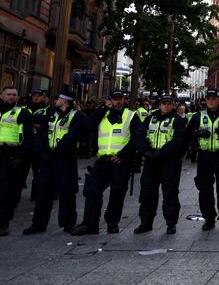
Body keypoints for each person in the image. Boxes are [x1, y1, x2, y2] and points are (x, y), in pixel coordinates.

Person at [72, 90, 141, 235]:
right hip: (102, 161)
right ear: (110, 100)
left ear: (125, 100)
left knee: (117, 193)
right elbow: (88, 125)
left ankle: (112, 223)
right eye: (115, 99)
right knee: (92, 190)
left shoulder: (131, 116)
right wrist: (103, 108)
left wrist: (123, 155)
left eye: (120, 99)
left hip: (120, 162)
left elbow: (136, 139)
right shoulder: (102, 114)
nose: (118, 102)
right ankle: (90, 224)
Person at [24, 92, 83, 234]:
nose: (55, 100)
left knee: (66, 192)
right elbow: (41, 133)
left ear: (65, 101)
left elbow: (72, 136)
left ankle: (68, 223)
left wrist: (57, 151)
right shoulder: (51, 114)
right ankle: (38, 224)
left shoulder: (76, 116)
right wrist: (42, 151)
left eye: (58, 99)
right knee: (43, 191)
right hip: (47, 159)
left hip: (65, 159)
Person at [187, 88, 219, 231]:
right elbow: (188, 134)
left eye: (214, 98)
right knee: (204, 189)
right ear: (205, 100)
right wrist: (198, 133)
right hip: (204, 156)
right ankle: (209, 218)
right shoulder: (198, 116)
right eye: (208, 98)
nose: (211, 101)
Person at [134, 95, 187, 234]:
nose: (166, 106)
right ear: (159, 105)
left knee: (169, 193)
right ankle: (146, 222)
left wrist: (161, 153)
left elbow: (178, 141)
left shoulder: (178, 120)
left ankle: (170, 223)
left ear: (173, 105)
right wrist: (145, 151)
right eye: (164, 103)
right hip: (151, 160)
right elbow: (139, 135)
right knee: (147, 192)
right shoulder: (150, 118)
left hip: (169, 161)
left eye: (169, 104)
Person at [0, 86, 35, 236]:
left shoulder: (23, 113)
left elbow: (28, 137)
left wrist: (20, 157)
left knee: (7, 191)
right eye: (8, 94)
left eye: (14, 94)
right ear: (1, 95)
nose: (11, 97)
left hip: (12, 154)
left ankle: (3, 223)